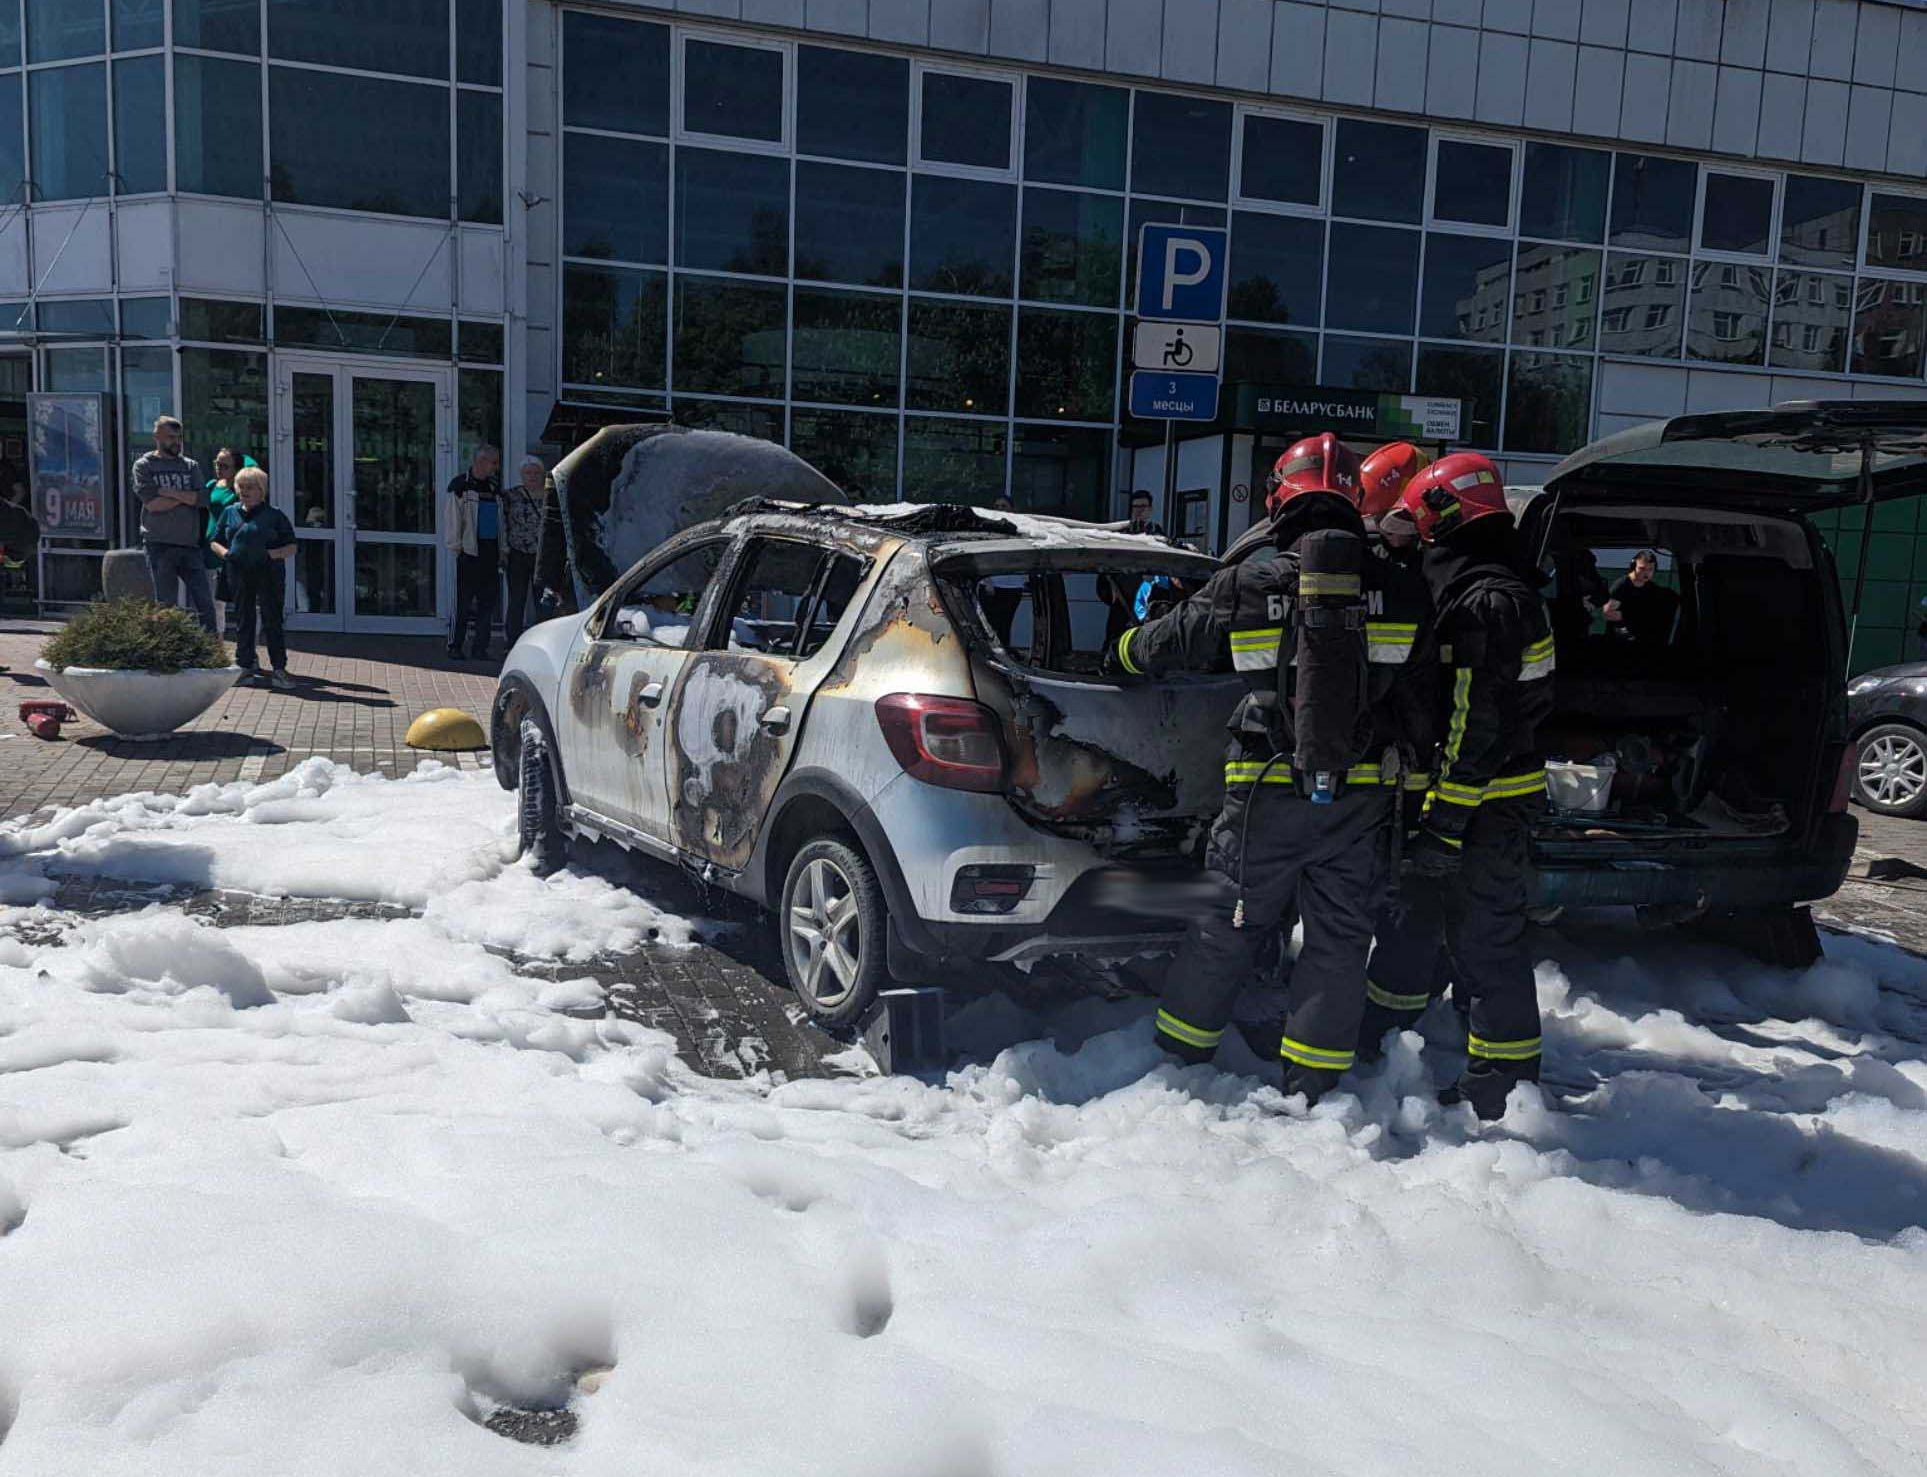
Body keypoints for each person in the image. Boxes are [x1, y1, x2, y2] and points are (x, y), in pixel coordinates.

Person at [1106, 433, 1395, 1105]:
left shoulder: (1250, 575)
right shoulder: (1395, 582)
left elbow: (1167, 643)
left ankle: (1180, 1065)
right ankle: (1313, 1088)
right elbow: (1418, 696)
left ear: (1277, 499)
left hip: (1264, 789)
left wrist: (1116, 652)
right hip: (1359, 798)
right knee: (1338, 940)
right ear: (1353, 498)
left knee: (1224, 929)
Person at [1366, 453, 1557, 1119]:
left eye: (1421, 525)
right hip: (1478, 798)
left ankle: (1502, 1091)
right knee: (1435, 928)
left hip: (1486, 805)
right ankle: (1388, 1039)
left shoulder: (1487, 602)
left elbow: (1471, 728)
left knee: (1488, 945)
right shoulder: (1493, 586)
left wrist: (1443, 825)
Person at [209, 466, 296, 687]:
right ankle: (245, 666)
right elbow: (215, 541)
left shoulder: (274, 515)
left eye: (250, 487)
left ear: (261, 490)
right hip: (239, 572)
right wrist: (226, 553)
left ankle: (279, 669)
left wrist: (271, 554)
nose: (244, 491)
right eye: (241, 487)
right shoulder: (230, 512)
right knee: (243, 620)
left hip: (268, 573)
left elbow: (292, 546)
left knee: (272, 619)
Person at [133, 416, 214, 631]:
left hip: (190, 544)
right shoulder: (144, 465)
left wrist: (168, 492)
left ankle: (212, 651)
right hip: (159, 544)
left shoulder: (190, 466)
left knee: (205, 604)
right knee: (165, 605)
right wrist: (185, 497)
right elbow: (152, 504)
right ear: (157, 437)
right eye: (170, 437)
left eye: (179, 437)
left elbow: (202, 499)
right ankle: (168, 649)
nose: (176, 442)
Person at [443, 444, 502, 660]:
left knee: (487, 602)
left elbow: (500, 520)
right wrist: (456, 547)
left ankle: (480, 647)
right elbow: (452, 519)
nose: (496, 467)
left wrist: (502, 550)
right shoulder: (460, 485)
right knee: (463, 601)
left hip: (490, 551)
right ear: (481, 461)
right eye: (494, 462)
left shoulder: (494, 488)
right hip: (469, 551)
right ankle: (455, 645)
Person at [202, 448, 252, 634]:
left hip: (231, 549)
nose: (219, 468)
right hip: (209, 549)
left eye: (225, 466)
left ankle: (244, 644)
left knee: (238, 600)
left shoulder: (240, 491)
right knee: (214, 603)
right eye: (217, 464)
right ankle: (217, 644)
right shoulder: (212, 485)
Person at [502, 454, 547, 647]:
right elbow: (503, 524)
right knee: (516, 600)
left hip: (542, 555)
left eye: (536, 473)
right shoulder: (510, 496)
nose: (532, 476)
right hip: (517, 553)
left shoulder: (550, 495)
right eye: (527, 473)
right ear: (521, 475)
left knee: (543, 602)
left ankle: (542, 642)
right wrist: (503, 550)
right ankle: (512, 642)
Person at [1603, 548, 1678, 647]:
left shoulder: (1650, 586)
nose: (1646, 573)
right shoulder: (1622, 586)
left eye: (1650, 569)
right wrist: (1634, 616)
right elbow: (1608, 613)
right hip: (1620, 636)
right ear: (1634, 567)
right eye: (1642, 569)